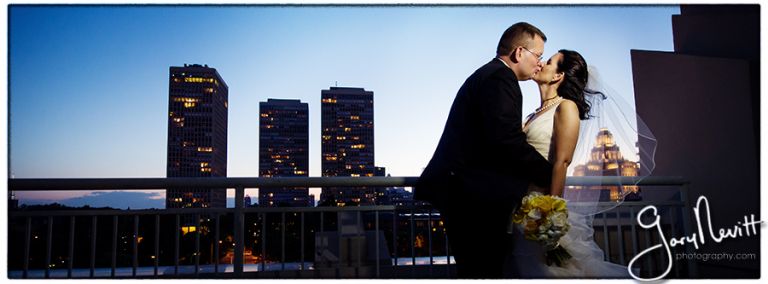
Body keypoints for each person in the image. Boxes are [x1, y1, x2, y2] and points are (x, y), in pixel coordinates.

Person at [414, 22, 553, 278]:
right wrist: (549, 174)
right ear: (519, 52)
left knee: (478, 271)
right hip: (473, 200)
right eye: (539, 55)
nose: (540, 63)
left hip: (467, 194)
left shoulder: (488, 75)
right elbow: (505, 139)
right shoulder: (501, 78)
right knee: (484, 271)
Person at [504, 49, 637, 278]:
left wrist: (549, 215)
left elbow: (562, 162)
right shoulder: (532, 115)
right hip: (520, 208)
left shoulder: (566, 107)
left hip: (541, 209)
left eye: (549, 61)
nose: (541, 63)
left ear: (558, 76)